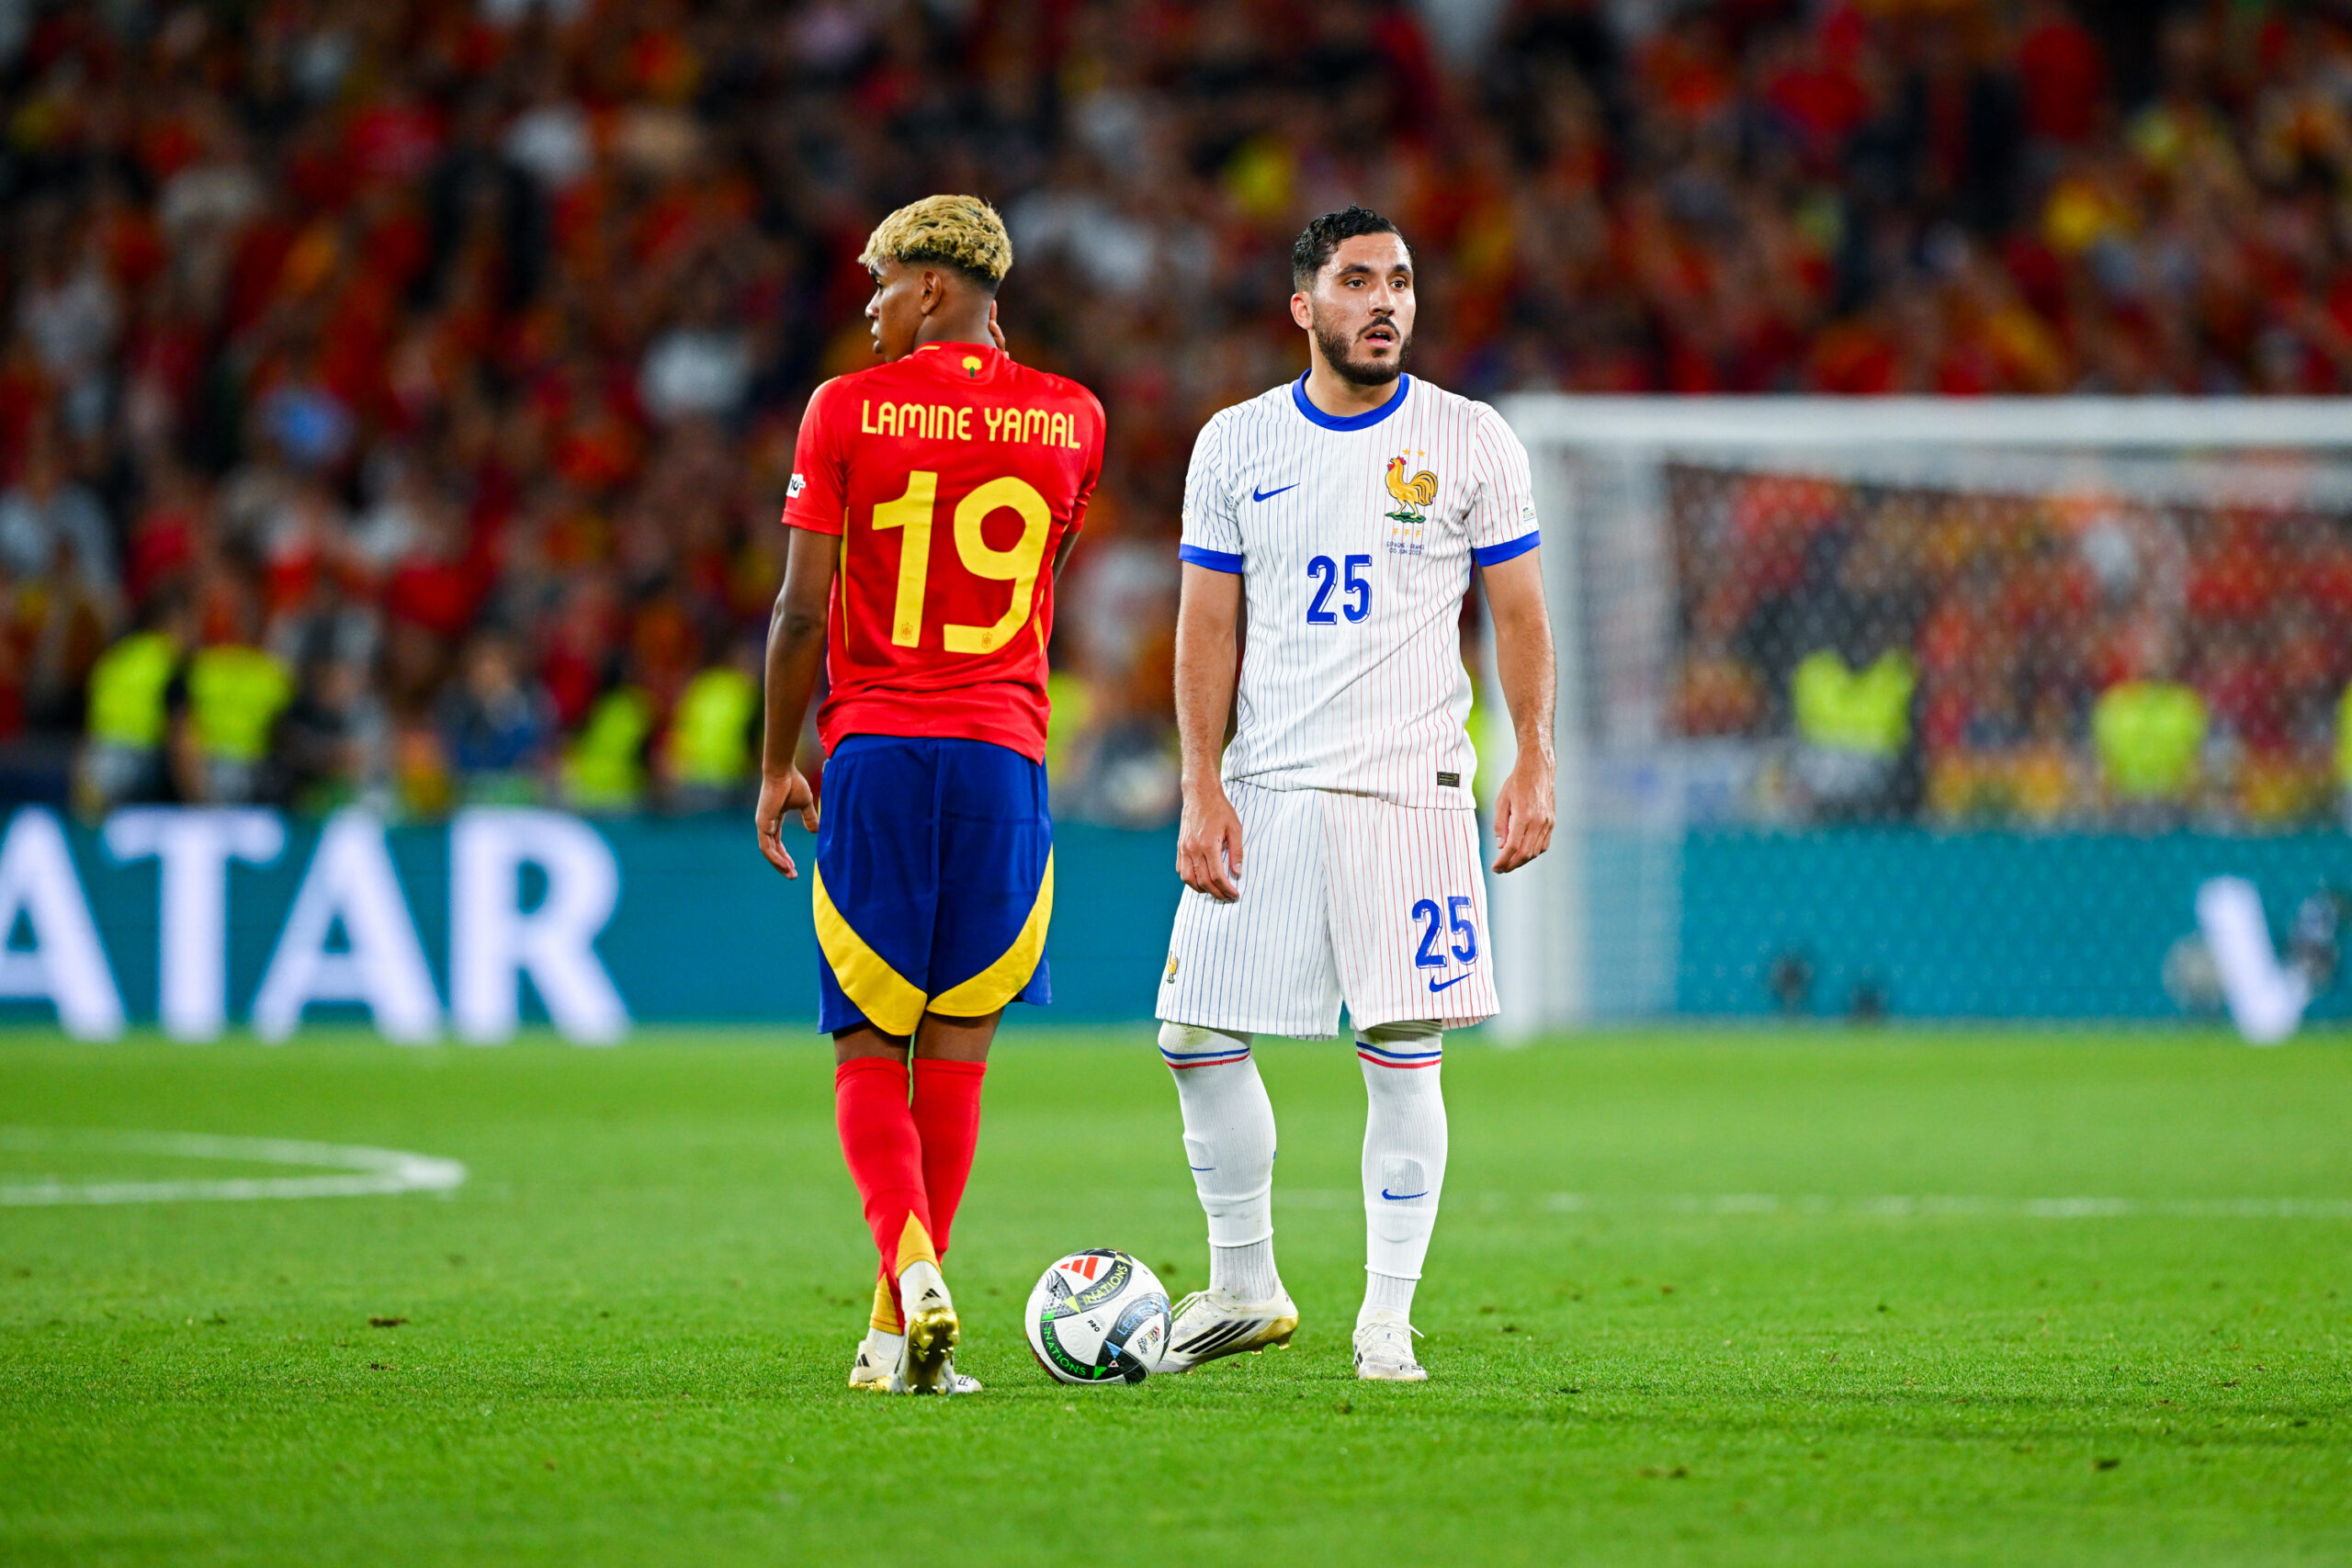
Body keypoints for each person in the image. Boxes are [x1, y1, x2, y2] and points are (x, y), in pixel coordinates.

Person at [1153, 205, 1556, 1383]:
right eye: (1356, 280)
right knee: (1188, 1031)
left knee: (1399, 1040)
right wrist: (1198, 781)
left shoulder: (1471, 438)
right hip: (1267, 783)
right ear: (1303, 306)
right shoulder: (1233, 443)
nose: (1385, 301)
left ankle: (1386, 1318)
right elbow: (1206, 625)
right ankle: (1244, 1285)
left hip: (1407, 791)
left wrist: (1533, 754)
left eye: (1401, 281)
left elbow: (1519, 614)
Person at [754, 195, 1103, 1395]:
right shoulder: (1075, 416)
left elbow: (802, 608)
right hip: (1005, 761)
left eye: (885, 286)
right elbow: (1041, 576)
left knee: (866, 1043)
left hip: (881, 756)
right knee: (956, 1054)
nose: (870, 309)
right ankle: (895, 1335)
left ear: (940, 289)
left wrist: (771, 764)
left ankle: (908, 1271)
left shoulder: (844, 410)